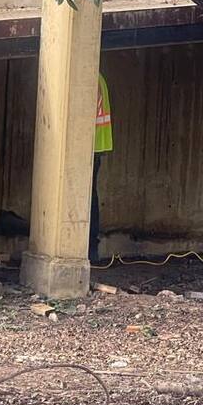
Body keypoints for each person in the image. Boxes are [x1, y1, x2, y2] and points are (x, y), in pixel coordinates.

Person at [90, 73, 112, 263]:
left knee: (87, 199)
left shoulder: (89, 77)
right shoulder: (98, 77)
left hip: (88, 147)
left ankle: (89, 249)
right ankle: (90, 249)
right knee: (90, 196)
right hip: (93, 147)